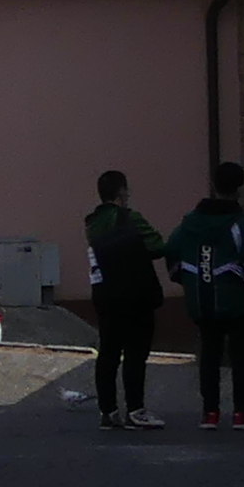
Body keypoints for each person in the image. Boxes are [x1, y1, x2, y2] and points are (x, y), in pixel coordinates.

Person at [162, 164, 244, 429]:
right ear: (239, 188)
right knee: (241, 357)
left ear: (213, 185)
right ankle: (240, 413)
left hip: (203, 300)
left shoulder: (190, 223)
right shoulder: (242, 224)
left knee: (209, 355)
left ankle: (210, 413)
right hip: (238, 301)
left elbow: (172, 250)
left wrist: (186, 278)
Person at [83, 171, 171, 431]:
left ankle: (108, 411)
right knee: (135, 353)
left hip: (104, 293)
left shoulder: (92, 223)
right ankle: (136, 409)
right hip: (135, 293)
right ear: (121, 192)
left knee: (108, 352)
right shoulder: (130, 218)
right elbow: (157, 246)